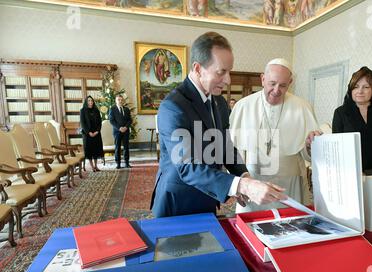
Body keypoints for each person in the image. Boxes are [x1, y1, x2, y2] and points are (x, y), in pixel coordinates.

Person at [150, 32, 287, 218]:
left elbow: (225, 147)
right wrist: (241, 185)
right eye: (221, 72)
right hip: (178, 204)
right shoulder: (173, 107)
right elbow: (187, 167)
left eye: (229, 71)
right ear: (198, 69)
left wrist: (244, 176)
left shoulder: (219, 103)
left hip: (209, 198)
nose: (228, 80)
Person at [230, 58, 319, 213]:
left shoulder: (302, 107)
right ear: (263, 79)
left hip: (289, 184)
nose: (277, 90)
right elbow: (231, 150)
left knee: (290, 226)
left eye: (283, 85)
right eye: (272, 83)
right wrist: (238, 183)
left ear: (290, 83)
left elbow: (307, 154)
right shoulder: (243, 106)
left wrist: (311, 146)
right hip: (254, 181)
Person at [332, 66, 372, 175]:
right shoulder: (340, 113)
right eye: (356, 87)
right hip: (350, 172)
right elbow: (338, 147)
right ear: (351, 89)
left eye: (366, 87)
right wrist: (354, 172)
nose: (360, 91)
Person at [80, 96, 104, 172]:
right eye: (89, 100)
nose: (90, 102)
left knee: (96, 150)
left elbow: (100, 122)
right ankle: (92, 166)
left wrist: (97, 131)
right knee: (89, 151)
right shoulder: (83, 111)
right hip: (87, 134)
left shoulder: (96, 110)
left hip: (96, 134)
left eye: (91, 101)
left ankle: (96, 166)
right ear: (86, 102)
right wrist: (89, 132)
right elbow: (82, 123)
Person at [109, 95, 132, 169]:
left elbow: (130, 120)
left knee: (126, 147)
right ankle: (118, 163)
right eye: (118, 100)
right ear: (116, 100)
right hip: (117, 131)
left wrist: (125, 127)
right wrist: (119, 128)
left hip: (126, 131)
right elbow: (111, 121)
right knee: (117, 147)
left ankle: (127, 163)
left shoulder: (126, 109)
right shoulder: (112, 109)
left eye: (121, 100)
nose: (120, 101)